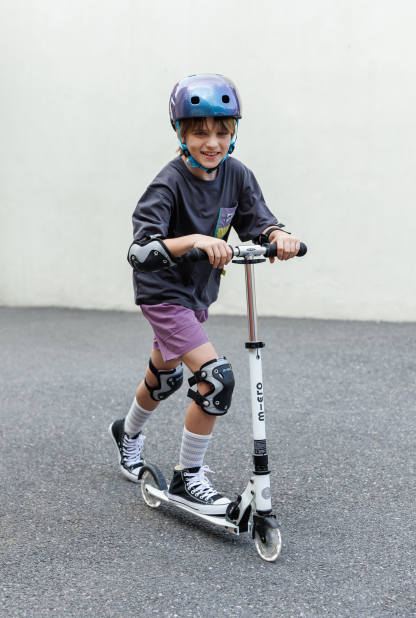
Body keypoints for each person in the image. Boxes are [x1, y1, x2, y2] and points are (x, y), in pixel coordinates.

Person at [109, 74, 300, 516]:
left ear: (234, 132)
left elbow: (258, 221)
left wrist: (279, 235)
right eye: (200, 133)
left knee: (165, 376)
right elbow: (142, 250)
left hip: (197, 293)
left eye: (222, 132)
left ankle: (127, 433)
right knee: (215, 379)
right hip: (163, 292)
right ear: (180, 132)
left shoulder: (236, 174)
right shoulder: (168, 183)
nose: (212, 143)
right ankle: (188, 477)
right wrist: (195, 239)